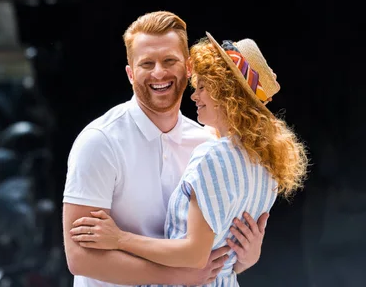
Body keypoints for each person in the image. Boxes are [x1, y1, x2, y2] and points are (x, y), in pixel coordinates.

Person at [69, 30, 309, 287]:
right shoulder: (264, 162)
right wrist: (246, 257)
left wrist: (118, 238)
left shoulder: (210, 152)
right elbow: (228, 250)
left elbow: (194, 255)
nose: (195, 95)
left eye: (203, 87)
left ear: (225, 93)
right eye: (147, 63)